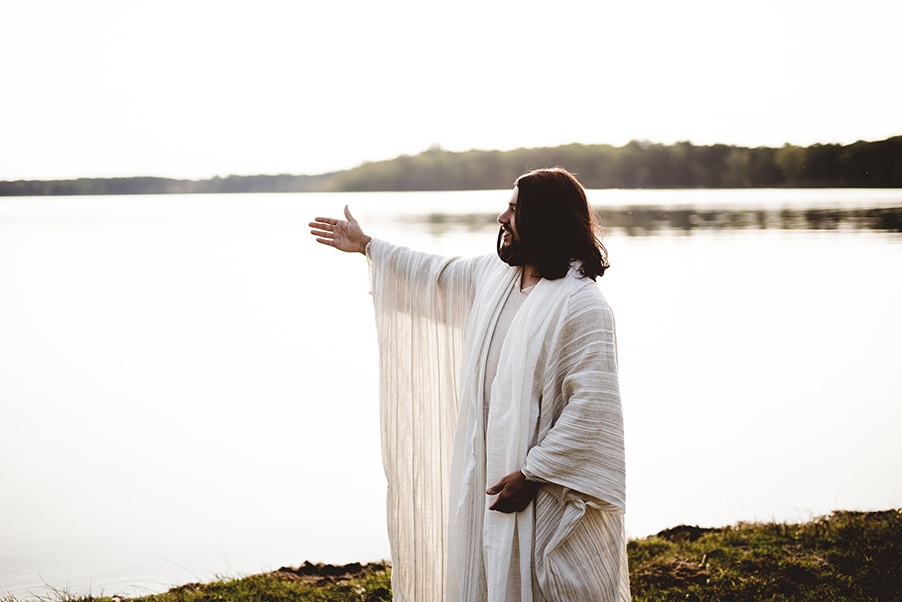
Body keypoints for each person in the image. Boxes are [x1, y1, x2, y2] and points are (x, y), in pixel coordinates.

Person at [309, 167, 629, 602]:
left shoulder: (582, 305)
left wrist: (533, 474)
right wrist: (367, 246)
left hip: (543, 486)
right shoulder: (497, 278)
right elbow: (433, 275)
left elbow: (593, 410)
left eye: (514, 209)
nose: (502, 217)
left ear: (543, 218)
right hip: (491, 472)